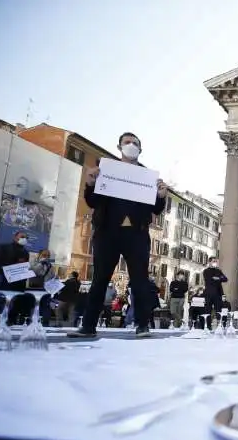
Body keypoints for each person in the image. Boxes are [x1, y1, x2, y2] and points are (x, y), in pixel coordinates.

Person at [68, 132, 167, 338]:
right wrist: (90, 182)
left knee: (140, 281)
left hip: (136, 234)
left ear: (140, 149)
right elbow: (93, 201)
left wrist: (161, 196)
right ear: (119, 146)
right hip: (107, 232)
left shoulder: (147, 176)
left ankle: (142, 326)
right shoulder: (106, 170)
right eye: (127, 143)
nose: (131, 145)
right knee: (99, 280)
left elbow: (156, 209)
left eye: (135, 143)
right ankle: (87, 326)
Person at [28, 249, 56, 326]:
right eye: (44, 255)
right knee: (33, 306)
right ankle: (31, 323)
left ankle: (45, 324)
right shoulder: (34, 262)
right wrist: (41, 263)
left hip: (46, 290)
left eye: (48, 256)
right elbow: (33, 271)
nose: (46, 257)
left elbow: (52, 277)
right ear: (39, 255)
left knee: (46, 308)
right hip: (35, 289)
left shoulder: (50, 266)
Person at [203, 257, 228, 330]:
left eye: (216, 261)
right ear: (209, 262)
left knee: (218, 310)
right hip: (209, 293)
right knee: (208, 310)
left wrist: (218, 278)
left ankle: (219, 326)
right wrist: (219, 278)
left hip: (218, 293)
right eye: (214, 261)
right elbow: (209, 280)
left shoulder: (218, 270)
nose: (215, 263)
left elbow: (225, 279)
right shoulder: (206, 271)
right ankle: (208, 327)